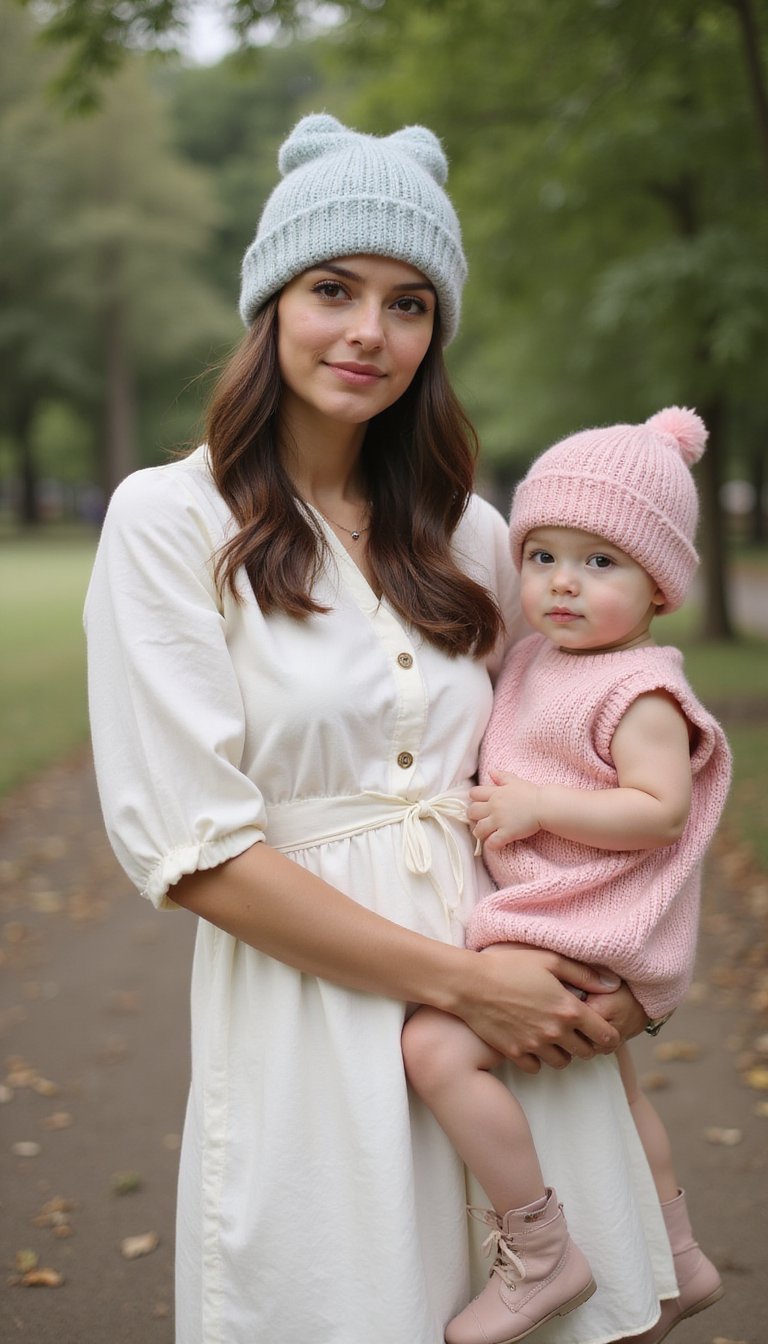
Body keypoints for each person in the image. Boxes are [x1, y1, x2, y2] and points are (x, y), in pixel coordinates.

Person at [85, 113, 675, 1344]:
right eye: (334, 288)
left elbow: (606, 741)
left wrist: (620, 978)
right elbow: (194, 853)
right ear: (271, 305)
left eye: (410, 304)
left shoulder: (471, 535)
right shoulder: (167, 521)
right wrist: (470, 990)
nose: (370, 331)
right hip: (319, 1010)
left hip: (504, 998)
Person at [403, 407, 731, 1344]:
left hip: (585, 926)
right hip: (556, 915)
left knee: (436, 1050)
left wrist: (542, 810)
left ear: (661, 586)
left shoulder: (641, 691)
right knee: (623, 1096)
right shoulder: (537, 659)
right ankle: (680, 1254)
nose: (563, 585)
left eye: (601, 563)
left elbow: (658, 810)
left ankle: (542, 1252)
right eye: (542, 556)